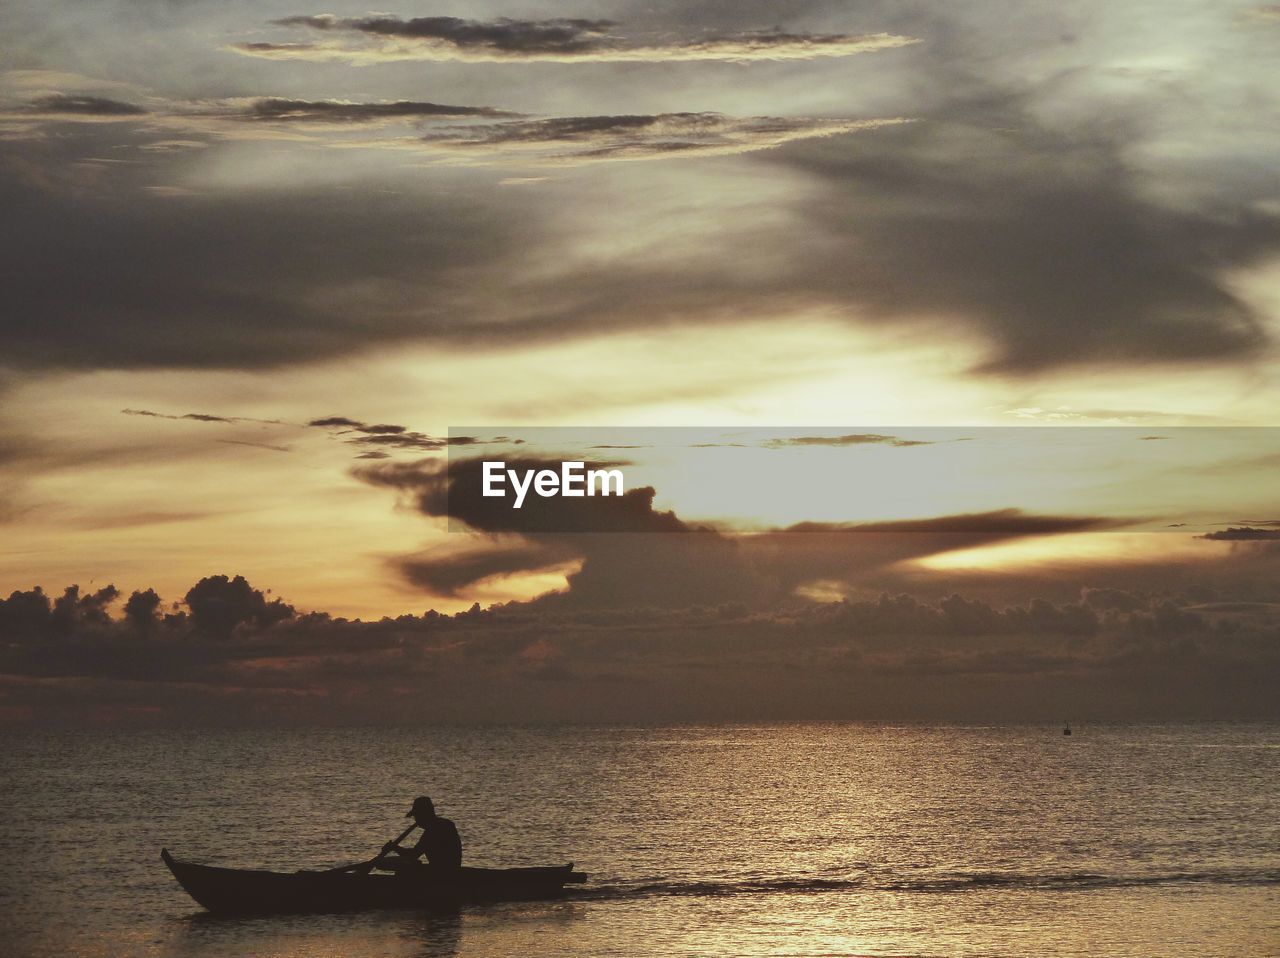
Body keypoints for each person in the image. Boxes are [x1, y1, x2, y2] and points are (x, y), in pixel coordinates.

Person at [380, 796, 463, 875]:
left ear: (424, 814)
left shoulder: (433, 831)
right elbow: (416, 852)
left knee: (403, 870)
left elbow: (413, 855)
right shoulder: (445, 824)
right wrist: (395, 848)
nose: (416, 819)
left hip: (442, 874)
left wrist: (394, 848)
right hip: (448, 870)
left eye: (416, 815)